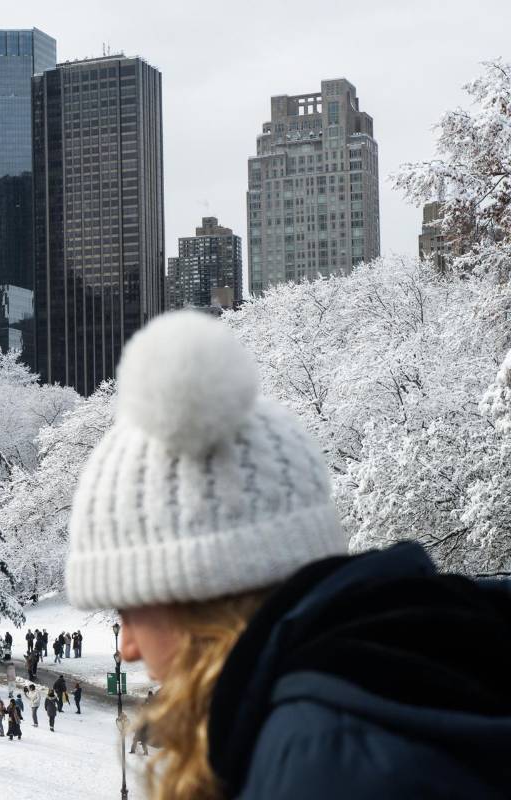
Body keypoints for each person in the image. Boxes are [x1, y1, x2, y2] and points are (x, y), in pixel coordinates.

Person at [63, 311, 511, 800]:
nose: (126, 646)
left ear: (200, 590)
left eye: (128, 608)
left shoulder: (321, 765)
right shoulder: (430, 665)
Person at [130, 691, 153, 756]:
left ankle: (145, 752)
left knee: (142, 741)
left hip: (143, 728)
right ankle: (133, 751)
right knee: (137, 740)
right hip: (140, 728)